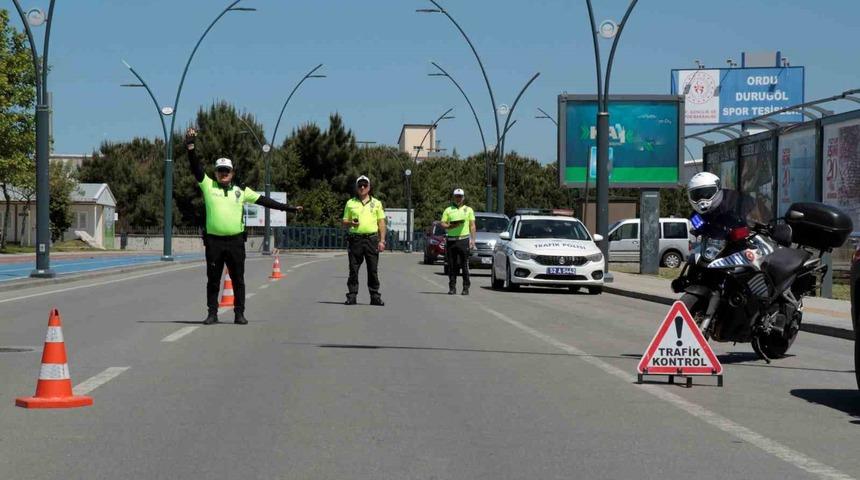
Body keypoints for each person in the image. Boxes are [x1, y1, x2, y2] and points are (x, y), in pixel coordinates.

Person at [184, 127, 303, 325]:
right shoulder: (208, 185)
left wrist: (288, 208)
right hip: (214, 242)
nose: (223, 174)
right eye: (220, 171)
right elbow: (195, 167)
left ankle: (239, 313)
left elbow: (265, 201)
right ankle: (212, 313)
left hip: (236, 242)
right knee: (213, 280)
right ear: (216, 173)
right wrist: (190, 146)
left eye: (227, 171)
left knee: (238, 279)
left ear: (232, 173)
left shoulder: (241, 191)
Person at [342, 175, 386, 306]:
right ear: (356, 187)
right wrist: (351, 223)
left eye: (365, 185)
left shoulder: (376, 203)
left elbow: (381, 223)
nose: (362, 187)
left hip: (371, 239)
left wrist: (382, 241)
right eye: (360, 185)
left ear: (369, 187)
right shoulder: (350, 203)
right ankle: (352, 296)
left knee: (372, 269)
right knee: (353, 269)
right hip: (355, 239)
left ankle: (375, 296)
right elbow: (344, 222)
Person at [440, 188, 476, 295]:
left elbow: (472, 225)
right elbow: (442, 223)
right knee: (452, 265)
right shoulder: (448, 210)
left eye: (460, 196)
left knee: (464, 265)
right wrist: (450, 226)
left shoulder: (468, 210)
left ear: (463, 198)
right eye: (456, 196)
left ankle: (466, 287)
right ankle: (452, 287)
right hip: (451, 240)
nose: (458, 198)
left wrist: (473, 240)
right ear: (454, 197)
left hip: (463, 240)